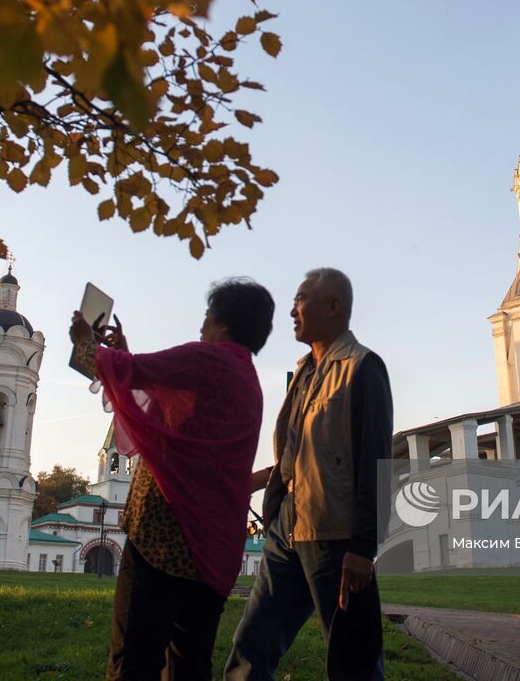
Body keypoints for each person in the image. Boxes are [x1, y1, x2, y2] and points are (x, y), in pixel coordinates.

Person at [69, 278, 275, 681]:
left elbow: (126, 373)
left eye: (206, 316)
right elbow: (169, 408)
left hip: (163, 539)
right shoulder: (246, 381)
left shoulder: (207, 359)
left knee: (134, 657)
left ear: (223, 321)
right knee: (188, 663)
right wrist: (123, 353)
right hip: (213, 549)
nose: (201, 326)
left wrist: (84, 340)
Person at [225, 268, 394, 680]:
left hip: (335, 538)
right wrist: (259, 484)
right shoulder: (303, 372)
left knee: (353, 659)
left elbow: (377, 461)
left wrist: (363, 547)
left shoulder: (363, 367)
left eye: (301, 299)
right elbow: (299, 456)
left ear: (333, 306)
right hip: (287, 531)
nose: (291, 310)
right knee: (251, 646)